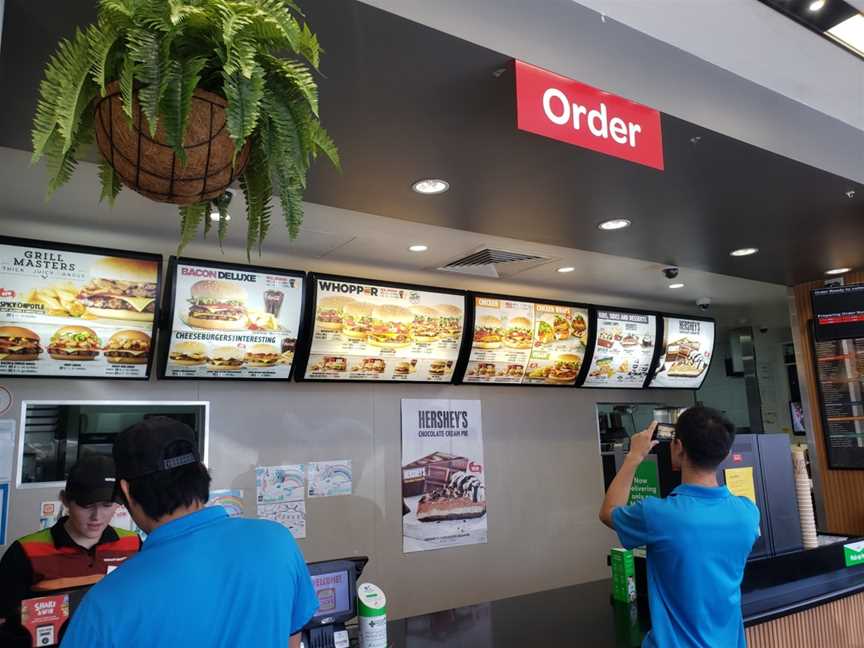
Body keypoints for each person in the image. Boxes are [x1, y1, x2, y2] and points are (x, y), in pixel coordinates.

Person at [61, 416, 318, 648]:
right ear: (202, 474)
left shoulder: (105, 603)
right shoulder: (276, 541)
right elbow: (291, 639)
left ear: (126, 490)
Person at [599, 407, 760, 648]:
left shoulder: (658, 515)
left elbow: (608, 511)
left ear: (678, 447)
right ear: (725, 454)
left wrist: (633, 456)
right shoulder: (748, 512)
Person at [0, 455, 140, 646]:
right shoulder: (26, 552)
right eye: (86, 505)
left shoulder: (132, 543)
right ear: (65, 500)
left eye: (107, 505)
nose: (97, 516)